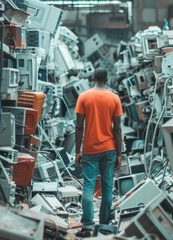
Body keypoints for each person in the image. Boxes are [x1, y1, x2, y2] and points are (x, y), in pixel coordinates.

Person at [74, 68, 123, 238]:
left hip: (89, 149)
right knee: (107, 188)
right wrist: (119, 153)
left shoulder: (84, 97)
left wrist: (77, 151)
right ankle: (104, 226)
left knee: (88, 186)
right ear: (107, 79)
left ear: (93, 78)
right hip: (109, 149)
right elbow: (117, 129)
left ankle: (87, 227)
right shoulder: (114, 98)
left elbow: (79, 126)